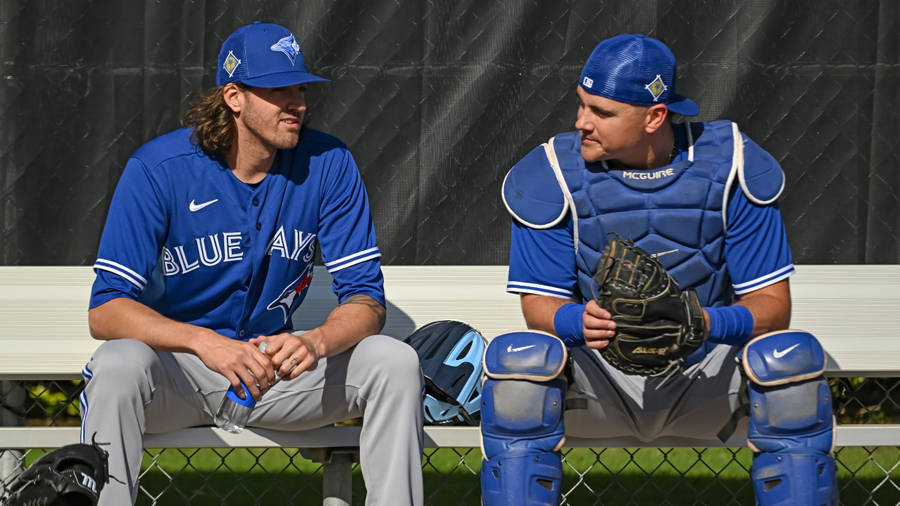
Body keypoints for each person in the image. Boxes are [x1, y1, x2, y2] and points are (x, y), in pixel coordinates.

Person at [482, 34, 836, 505]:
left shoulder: (732, 164)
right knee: (520, 363)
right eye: (582, 104)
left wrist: (704, 323)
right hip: (602, 380)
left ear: (654, 117)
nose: (581, 122)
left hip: (705, 376)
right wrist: (578, 321)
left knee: (789, 360)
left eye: (602, 112)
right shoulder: (550, 173)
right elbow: (539, 307)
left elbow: (773, 308)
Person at [81, 22, 424, 505]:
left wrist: (315, 341)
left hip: (276, 377)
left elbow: (367, 301)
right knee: (117, 364)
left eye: (300, 88)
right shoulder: (159, 168)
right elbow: (106, 311)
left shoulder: (328, 162)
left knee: (394, 362)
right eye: (277, 90)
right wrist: (206, 343)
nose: (296, 103)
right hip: (182, 374)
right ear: (234, 97)